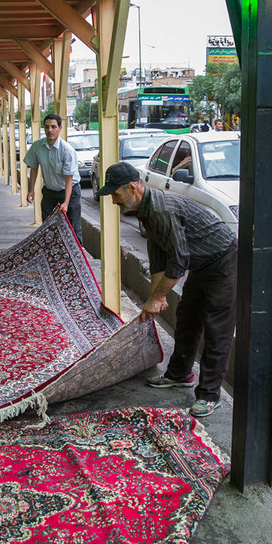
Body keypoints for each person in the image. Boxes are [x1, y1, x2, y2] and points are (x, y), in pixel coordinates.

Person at [97, 162, 238, 418]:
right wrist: (153, 298)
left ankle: (209, 394)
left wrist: (159, 296)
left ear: (132, 187)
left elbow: (179, 260)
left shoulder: (161, 209)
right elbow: (159, 256)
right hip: (201, 263)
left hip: (222, 261)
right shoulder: (145, 210)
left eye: (115, 194)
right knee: (186, 318)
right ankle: (179, 373)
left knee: (217, 329)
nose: (113, 201)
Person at [24, 113, 83, 243]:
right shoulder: (37, 146)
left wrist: (66, 203)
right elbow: (34, 168)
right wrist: (31, 190)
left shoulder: (67, 150)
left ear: (60, 128)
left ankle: (77, 260)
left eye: (53, 127)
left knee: (72, 228)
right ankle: (53, 257)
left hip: (69, 191)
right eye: (47, 127)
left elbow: (69, 178)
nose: (50, 130)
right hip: (50, 192)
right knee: (48, 228)